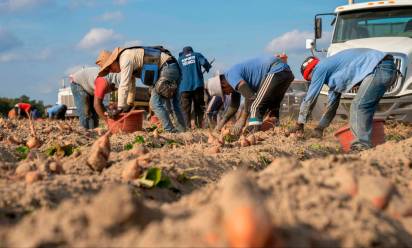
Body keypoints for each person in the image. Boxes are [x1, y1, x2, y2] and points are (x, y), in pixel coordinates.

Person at [287, 48, 397, 151]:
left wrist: (299, 123)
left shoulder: (319, 69)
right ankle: (373, 142)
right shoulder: (334, 72)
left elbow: (310, 98)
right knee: (366, 107)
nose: (314, 81)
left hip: (379, 68)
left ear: (310, 74)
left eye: (311, 80)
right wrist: (320, 128)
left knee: (359, 106)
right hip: (386, 67)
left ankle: (361, 145)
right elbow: (332, 105)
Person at [96, 46, 186, 133]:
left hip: (166, 69)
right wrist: (128, 105)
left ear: (113, 60)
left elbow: (124, 85)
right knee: (173, 103)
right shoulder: (127, 57)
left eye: (110, 68)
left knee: (155, 103)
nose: (111, 71)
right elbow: (131, 84)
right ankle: (182, 131)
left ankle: (170, 131)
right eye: (108, 71)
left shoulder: (125, 59)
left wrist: (119, 108)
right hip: (171, 66)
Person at [205, 54, 294, 134]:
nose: (227, 94)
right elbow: (234, 106)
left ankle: (254, 132)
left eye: (224, 92)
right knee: (273, 107)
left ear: (223, 84)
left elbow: (250, 96)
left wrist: (242, 119)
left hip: (275, 70)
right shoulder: (232, 81)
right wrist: (221, 123)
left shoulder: (231, 76)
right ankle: (274, 131)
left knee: (256, 106)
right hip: (286, 72)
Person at [178, 46, 212, 128]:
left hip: (184, 88)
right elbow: (204, 63)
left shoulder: (179, 59)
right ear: (191, 51)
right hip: (197, 86)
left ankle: (187, 127)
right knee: (199, 107)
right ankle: (199, 125)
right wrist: (207, 67)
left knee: (185, 109)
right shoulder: (197, 55)